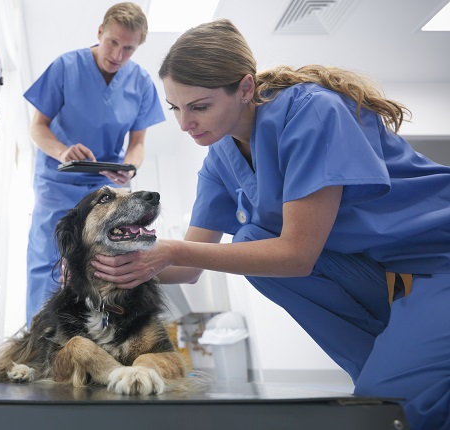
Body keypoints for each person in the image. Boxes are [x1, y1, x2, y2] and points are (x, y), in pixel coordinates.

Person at [90, 18, 450, 430]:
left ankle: (395, 373)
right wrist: (102, 267)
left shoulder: (312, 111)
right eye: (175, 107)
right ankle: (387, 365)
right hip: (385, 276)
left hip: (439, 263)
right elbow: (188, 268)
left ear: (245, 88)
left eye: (200, 106)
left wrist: (168, 249)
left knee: (392, 410)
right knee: (252, 241)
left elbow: (297, 255)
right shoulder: (220, 159)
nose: (184, 123)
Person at [23, 2, 165, 324]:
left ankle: (100, 340)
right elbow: (37, 127)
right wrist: (62, 151)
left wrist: (129, 167)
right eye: (112, 42)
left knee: (106, 262)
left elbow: (138, 143)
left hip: (105, 191)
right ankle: (42, 339)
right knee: (49, 260)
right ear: (100, 32)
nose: (117, 54)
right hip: (57, 182)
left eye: (128, 48)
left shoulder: (141, 83)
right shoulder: (65, 67)